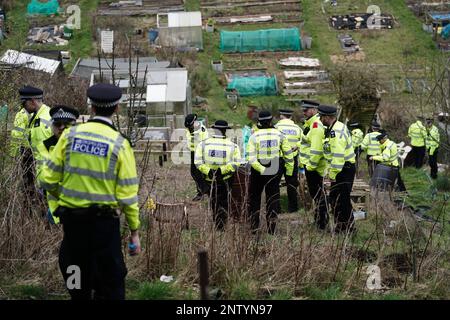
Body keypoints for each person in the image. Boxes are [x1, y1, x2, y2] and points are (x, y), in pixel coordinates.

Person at [39, 83, 141, 300]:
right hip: (104, 227)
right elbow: (128, 195)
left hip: (73, 225)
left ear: (91, 108)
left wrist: (63, 199)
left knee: (75, 274)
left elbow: (48, 179)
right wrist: (134, 231)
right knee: (111, 280)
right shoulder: (120, 144)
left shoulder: (69, 136)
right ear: (117, 109)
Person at [247, 110, 294, 234]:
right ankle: (272, 230)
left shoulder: (254, 136)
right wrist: (289, 173)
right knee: (273, 197)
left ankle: (254, 228)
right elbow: (289, 155)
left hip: (258, 170)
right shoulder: (280, 135)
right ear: (271, 120)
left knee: (254, 198)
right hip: (275, 167)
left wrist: (263, 169)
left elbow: (251, 158)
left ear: (259, 122)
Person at [36, 105, 80, 224]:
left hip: (76, 205)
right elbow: (42, 174)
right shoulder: (43, 146)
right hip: (49, 204)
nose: (61, 127)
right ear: (52, 126)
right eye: (57, 124)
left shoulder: (81, 146)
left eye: (66, 124)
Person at [194, 120, 241, 230]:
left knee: (213, 200)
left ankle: (216, 222)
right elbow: (236, 163)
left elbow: (198, 162)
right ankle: (221, 225)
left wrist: (208, 171)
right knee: (224, 201)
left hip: (209, 179)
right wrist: (222, 170)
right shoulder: (233, 146)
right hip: (225, 178)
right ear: (225, 131)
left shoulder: (203, 144)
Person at [319, 105, 356, 233]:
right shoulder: (333, 128)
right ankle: (342, 226)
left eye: (321, 116)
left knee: (342, 200)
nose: (319, 119)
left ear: (328, 117)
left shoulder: (336, 132)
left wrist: (332, 175)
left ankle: (347, 228)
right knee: (336, 198)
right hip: (342, 169)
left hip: (343, 169)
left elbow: (338, 157)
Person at [14, 86, 52, 206]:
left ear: (32, 101)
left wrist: (41, 183)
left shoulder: (40, 123)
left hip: (46, 176)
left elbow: (42, 157)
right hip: (49, 173)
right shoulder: (44, 113)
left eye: (25, 103)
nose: (24, 107)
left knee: (46, 211)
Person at [299, 100, 328, 230]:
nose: (303, 112)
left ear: (314, 110)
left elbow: (316, 149)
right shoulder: (311, 124)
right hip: (311, 166)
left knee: (318, 195)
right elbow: (308, 142)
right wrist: (298, 146)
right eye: (303, 110)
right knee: (317, 195)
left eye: (306, 110)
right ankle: (319, 219)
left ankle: (321, 223)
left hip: (314, 167)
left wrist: (310, 167)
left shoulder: (316, 125)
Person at [275, 108, 302, 212]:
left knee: (275, 183)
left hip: (279, 158)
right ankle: (293, 208)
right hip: (292, 158)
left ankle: (276, 208)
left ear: (282, 116)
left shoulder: (276, 127)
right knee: (292, 183)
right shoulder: (297, 128)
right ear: (291, 116)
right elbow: (303, 141)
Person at [185, 114, 210, 201]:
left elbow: (205, 142)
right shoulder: (190, 129)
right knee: (194, 173)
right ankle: (202, 191)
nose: (189, 128)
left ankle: (204, 191)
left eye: (190, 126)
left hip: (200, 153)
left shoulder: (201, 130)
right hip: (193, 153)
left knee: (199, 173)